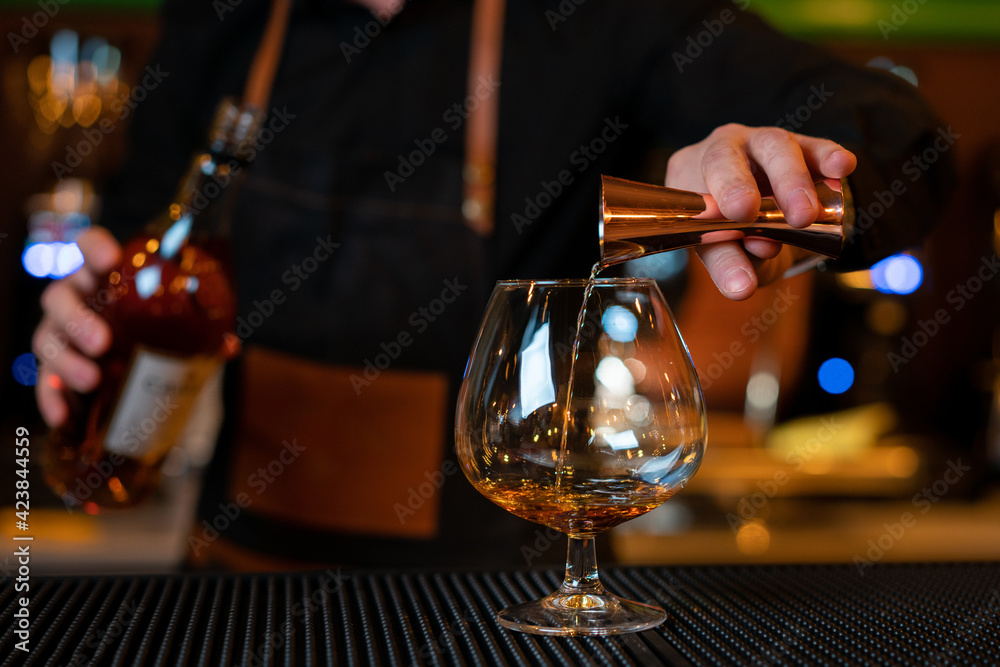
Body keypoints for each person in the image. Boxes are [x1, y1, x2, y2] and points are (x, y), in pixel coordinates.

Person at [33, 0, 954, 570]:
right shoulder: (220, 16)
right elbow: (139, 231)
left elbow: (900, 135)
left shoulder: (600, 15)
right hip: (238, 574)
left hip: (509, 582)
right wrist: (86, 313)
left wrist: (779, 166)